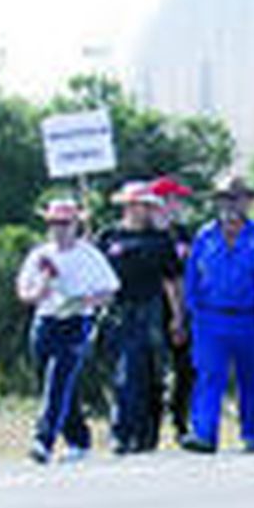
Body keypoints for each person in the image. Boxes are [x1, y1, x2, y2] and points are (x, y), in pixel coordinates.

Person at [17, 199, 120, 464]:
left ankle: (43, 441)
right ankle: (79, 439)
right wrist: (39, 291)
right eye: (54, 223)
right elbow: (24, 292)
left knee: (59, 380)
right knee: (51, 383)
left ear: (76, 224)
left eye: (65, 223)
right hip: (46, 321)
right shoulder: (40, 254)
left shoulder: (89, 255)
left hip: (75, 322)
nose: (59, 228)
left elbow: (110, 290)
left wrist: (85, 301)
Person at [181, 174, 254, 454]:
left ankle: (253, 434)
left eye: (237, 198)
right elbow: (192, 278)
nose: (231, 204)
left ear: (249, 202)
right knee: (209, 376)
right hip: (212, 318)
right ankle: (204, 434)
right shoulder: (205, 236)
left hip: (252, 317)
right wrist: (193, 312)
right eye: (224, 198)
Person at [96, 181, 184, 455]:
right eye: (134, 204)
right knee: (121, 373)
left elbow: (173, 282)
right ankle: (130, 433)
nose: (139, 210)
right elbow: (94, 274)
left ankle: (131, 434)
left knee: (140, 373)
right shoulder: (108, 236)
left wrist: (178, 317)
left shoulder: (160, 240)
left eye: (144, 205)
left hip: (149, 311)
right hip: (115, 312)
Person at [149, 175, 196, 443]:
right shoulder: (143, 232)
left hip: (180, 305)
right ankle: (150, 425)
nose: (178, 204)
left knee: (186, 367)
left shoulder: (182, 232)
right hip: (152, 307)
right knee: (151, 369)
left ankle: (180, 420)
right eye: (173, 198)